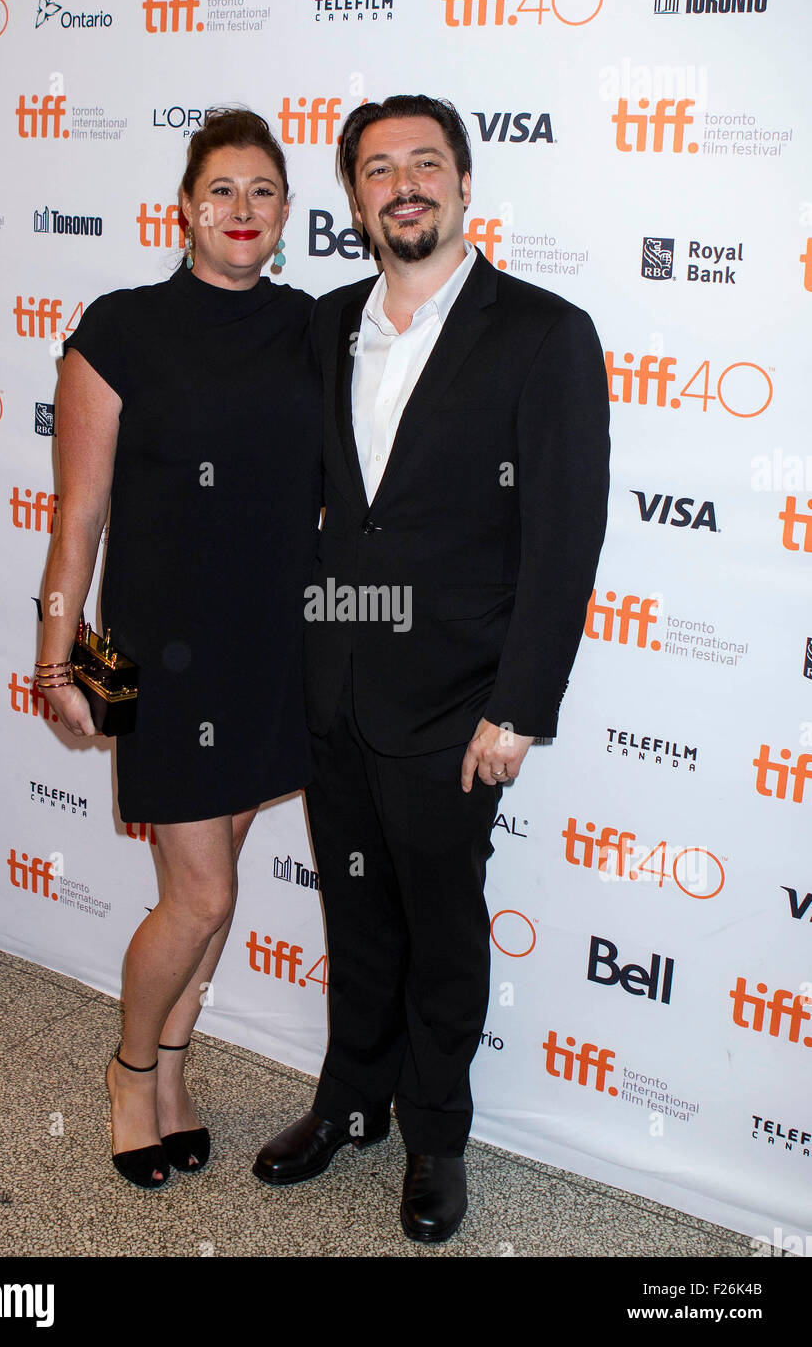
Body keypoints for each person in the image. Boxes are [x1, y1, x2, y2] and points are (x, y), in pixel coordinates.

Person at [253, 95, 610, 1241]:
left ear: (462, 182)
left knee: (444, 933)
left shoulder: (544, 333)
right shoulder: (324, 325)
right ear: (356, 198)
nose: (402, 184)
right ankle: (349, 1104)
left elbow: (565, 537)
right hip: (335, 685)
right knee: (356, 913)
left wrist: (520, 706)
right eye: (377, 169)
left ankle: (436, 1137)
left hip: (458, 705)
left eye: (423, 163)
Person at [36, 109, 321, 1189]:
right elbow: (80, 512)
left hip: (272, 649)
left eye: (263, 191)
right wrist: (57, 658)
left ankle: (173, 1067)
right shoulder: (121, 329)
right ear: (186, 209)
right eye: (222, 191)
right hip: (166, 654)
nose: (242, 209)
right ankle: (129, 1070)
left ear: (285, 214)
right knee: (197, 895)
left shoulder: (314, 329)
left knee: (220, 880)